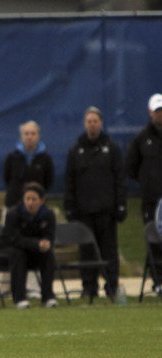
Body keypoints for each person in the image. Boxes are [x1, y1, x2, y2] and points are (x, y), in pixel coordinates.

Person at [64, 106, 126, 299]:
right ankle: (88, 288)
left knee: (109, 250)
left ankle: (111, 286)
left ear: (101, 123)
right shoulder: (76, 150)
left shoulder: (112, 148)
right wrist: (70, 206)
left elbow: (119, 179)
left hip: (106, 210)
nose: (92, 124)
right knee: (86, 251)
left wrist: (120, 204)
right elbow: (70, 181)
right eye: (89, 121)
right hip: (84, 211)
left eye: (95, 121)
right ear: (85, 124)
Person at [2, 120, 55, 299]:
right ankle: (7, 287)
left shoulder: (45, 157)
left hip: (35, 213)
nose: (29, 136)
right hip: (15, 208)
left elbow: (48, 181)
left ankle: (33, 289)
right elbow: (6, 177)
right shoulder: (13, 156)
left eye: (33, 133)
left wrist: (34, 200)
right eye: (26, 133)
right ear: (21, 136)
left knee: (35, 250)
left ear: (38, 135)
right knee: (12, 247)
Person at [0, 182, 58, 309]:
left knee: (48, 254)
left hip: (33, 253)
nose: (30, 203)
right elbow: (14, 239)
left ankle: (48, 297)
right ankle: (19, 298)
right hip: (8, 253)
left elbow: (49, 235)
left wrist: (46, 243)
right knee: (18, 253)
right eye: (27, 199)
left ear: (42, 200)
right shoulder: (13, 214)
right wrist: (36, 244)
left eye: (34, 199)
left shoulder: (48, 215)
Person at [126, 93, 162, 292]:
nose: (160, 115)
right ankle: (158, 281)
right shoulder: (141, 138)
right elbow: (131, 168)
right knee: (154, 239)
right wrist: (148, 182)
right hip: (151, 200)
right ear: (151, 112)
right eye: (157, 111)